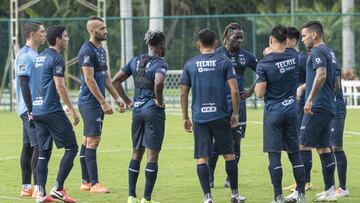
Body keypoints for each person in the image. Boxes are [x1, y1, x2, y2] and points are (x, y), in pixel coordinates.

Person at [181, 28, 246, 203]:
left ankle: (207, 197)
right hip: (220, 116)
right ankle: (234, 194)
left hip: (200, 118)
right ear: (216, 43)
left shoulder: (190, 64)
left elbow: (183, 94)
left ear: (198, 44)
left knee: (202, 157)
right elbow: (234, 90)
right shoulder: (224, 62)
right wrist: (235, 113)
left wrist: (185, 117)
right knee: (229, 155)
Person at [112, 30, 167, 203]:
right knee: (152, 155)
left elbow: (115, 81)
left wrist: (129, 102)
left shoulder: (135, 60)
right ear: (161, 45)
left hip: (137, 110)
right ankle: (147, 199)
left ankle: (131, 196)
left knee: (136, 152)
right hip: (152, 110)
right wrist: (159, 102)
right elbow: (158, 82)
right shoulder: (160, 62)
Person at [255, 25, 306, 203]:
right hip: (292, 110)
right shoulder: (294, 56)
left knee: (274, 154)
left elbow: (260, 93)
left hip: (273, 113)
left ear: (270, 40)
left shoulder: (264, 64)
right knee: (295, 154)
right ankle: (301, 194)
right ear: (287, 40)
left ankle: (278, 197)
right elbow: (288, 52)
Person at [77, 16, 125, 193]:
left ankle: (85, 182)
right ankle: (95, 184)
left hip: (95, 102)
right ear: (92, 31)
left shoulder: (101, 50)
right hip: (90, 102)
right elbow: (89, 79)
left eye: (105, 28)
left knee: (87, 139)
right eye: (102, 28)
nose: (106, 31)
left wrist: (118, 98)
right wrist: (103, 102)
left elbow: (106, 78)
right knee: (93, 140)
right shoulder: (86, 51)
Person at [31, 25, 79, 203]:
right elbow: (60, 86)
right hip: (51, 111)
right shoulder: (57, 58)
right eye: (66, 36)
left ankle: (41, 195)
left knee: (44, 151)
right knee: (72, 147)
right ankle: (58, 188)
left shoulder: (39, 57)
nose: (68, 39)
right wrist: (72, 110)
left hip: (37, 111)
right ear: (58, 39)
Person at [208, 22, 258, 188]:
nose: (240, 41)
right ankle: (209, 177)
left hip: (239, 106)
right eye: (236, 37)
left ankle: (231, 179)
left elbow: (263, 71)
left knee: (236, 141)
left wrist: (251, 90)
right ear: (226, 38)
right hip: (220, 105)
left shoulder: (246, 56)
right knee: (216, 142)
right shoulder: (216, 54)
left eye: (241, 38)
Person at [299, 21, 338, 202]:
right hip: (328, 104)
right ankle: (330, 190)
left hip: (318, 107)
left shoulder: (317, 51)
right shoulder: (329, 51)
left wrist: (310, 98)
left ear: (314, 35)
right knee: (323, 148)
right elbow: (335, 82)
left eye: (304, 36)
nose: (302, 39)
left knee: (302, 144)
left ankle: (300, 191)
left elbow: (321, 74)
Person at [15, 21, 46, 198]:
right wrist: (31, 110)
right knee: (39, 147)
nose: (44, 34)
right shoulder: (26, 55)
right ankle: (37, 189)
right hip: (30, 110)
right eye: (42, 32)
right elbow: (23, 83)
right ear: (33, 34)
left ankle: (26, 187)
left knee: (28, 146)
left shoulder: (34, 54)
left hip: (29, 108)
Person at [282, 27, 313, 192]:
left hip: (303, 107)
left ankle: (306, 182)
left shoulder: (301, 58)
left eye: (284, 39)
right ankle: (299, 180)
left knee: (303, 144)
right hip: (292, 107)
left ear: (293, 41)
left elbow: (313, 78)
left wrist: (301, 88)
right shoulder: (285, 57)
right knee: (296, 144)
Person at [331, 63, 349, 198]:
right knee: (327, 148)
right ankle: (330, 186)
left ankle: (343, 188)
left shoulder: (333, 64)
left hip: (336, 109)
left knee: (336, 147)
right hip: (326, 109)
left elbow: (336, 86)